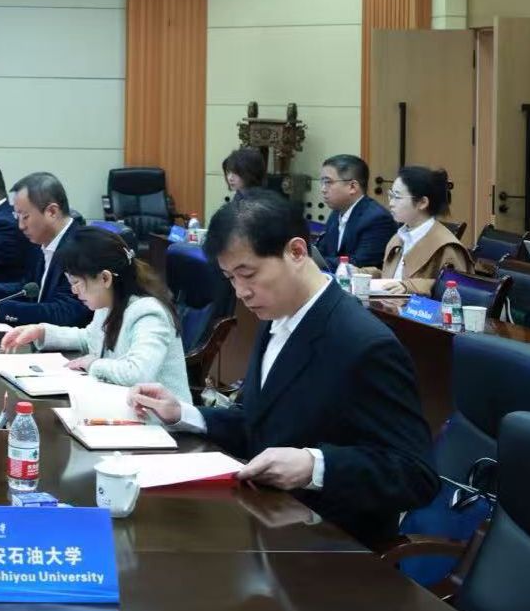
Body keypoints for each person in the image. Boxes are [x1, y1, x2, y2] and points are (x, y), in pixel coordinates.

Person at [128, 189, 438, 547]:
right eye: (230, 278)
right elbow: (261, 422)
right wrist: (184, 413)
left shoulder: (364, 343)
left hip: (333, 545)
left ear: (296, 252)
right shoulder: (277, 317)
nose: (241, 292)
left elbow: (416, 475)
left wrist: (315, 465)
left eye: (248, 274)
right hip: (269, 523)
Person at [0, 227, 192, 405]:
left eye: (76, 283)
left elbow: (137, 373)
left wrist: (92, 364)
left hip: (162, 424)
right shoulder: (108, 304)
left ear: (105, 278)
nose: (74, 291)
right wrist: (41, 331)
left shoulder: (148, 313)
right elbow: (89, 338)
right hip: (122, 409)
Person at [0, 172, 91, 328]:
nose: (20, 226)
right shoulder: (41, 243)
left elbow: (67, 312)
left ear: (52, 212)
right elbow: (29, 290)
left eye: (25, 216)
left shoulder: (82, 248)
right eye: (17, 216)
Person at [368, 166, 473, 296]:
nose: (391, 203)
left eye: (397, 197)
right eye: (391, 195)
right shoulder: (399, 237)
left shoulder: (447, 248)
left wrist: (410, 287)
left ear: (422, 202)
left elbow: (457, 290)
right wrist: (360, 273)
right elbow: (392, 279)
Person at [315, 154, 396, 269]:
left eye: (328, 182)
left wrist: (311, 263)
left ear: (352, 187)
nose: (323, 189)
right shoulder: (336, 213)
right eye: (322, 182)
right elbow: (322, 252)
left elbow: (359, 263)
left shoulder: (377, 219)